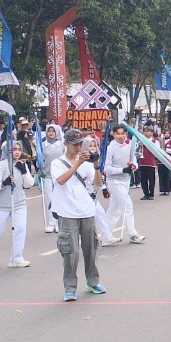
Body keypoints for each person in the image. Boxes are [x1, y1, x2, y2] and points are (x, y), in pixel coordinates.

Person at [51, 129, 106, 301]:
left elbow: (97, 183)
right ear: (65, 144)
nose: (77, 148)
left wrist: (96, 165)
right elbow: (61, 180)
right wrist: (77, 164)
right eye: (74, 144)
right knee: (70, 251)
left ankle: (92, 281)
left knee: (90, 248)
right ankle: (70, 287)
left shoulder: (87, 163)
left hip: (87, 210)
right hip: (67, 213)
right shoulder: (57, 163)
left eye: (79, 144)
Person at [0, 141, 34, 268]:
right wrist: (4, 183)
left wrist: (24, 172)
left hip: (19, 203)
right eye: (13, 149)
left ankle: (16, 257)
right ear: (7, 151)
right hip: (1, 205)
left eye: (19, 149)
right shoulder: (0, 166)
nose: (17, 152)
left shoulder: (22, 165)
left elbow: (29, 184)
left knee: (20, 229)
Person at [103, 125, 144, 245]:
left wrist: (134, 166)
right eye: (118, 134)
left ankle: (106, 235)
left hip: (125, 181)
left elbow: (133, 160)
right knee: (128, 206)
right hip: (114, 181)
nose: (120, 136)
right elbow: (106, 168)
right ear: (113, 134)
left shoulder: (130, 145)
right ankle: (132, 234)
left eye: (122, 134)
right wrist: (122, 170)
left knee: (114, 210)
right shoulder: (110, 148)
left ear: (126, 133)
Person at [137, 127, 158, 200]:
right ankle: (145, 194)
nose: (146, 132)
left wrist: (147, 145)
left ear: (151, 133)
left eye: (148, 131)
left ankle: (151, 194)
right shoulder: (141, 141)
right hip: (142, 162)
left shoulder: (154, 141)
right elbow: (137, 150)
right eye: (145, 131)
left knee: (151, 179)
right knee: (143, 180)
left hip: (150, 162)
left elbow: (156, 150)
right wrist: (139, 146)